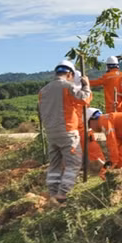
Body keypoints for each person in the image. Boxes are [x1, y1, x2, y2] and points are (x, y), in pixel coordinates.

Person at [38, 60, 91, 204]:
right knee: (74, 163)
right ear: (69, 74)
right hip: (67, 131)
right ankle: (63, 193)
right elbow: (85, 100)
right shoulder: (67, 86)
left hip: (51, 132)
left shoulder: (43, 91)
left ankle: (53, 192)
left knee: (54, 164)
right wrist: (86, 85)